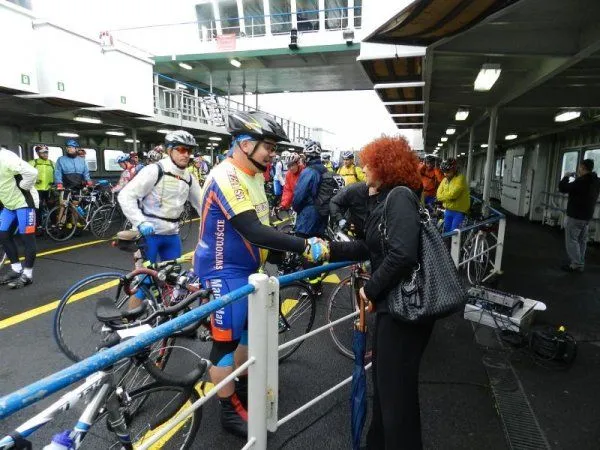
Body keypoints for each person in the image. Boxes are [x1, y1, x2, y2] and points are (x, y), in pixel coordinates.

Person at [194, 111, 327, 438]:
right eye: (268, 146)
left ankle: (239, 385)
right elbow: (252, 230)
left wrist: (278, 254)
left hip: (247, 269)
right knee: (224, 344)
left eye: (273, 147)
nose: (272, 153)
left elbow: (263, 226)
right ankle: (228, 411)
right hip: (222, 270)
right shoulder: (226, 175)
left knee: (248, 334)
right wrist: (303, 245)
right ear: (244, 144)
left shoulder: (253, 175)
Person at [322, 135, 433, 449]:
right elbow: (371, 248)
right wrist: (328, 249)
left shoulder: (398, 197)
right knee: (387, 390)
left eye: (369, 164)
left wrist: (368, 290)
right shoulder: (388, 198)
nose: (364, 168)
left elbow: (402, 255)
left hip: (405, 312)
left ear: (385, 167)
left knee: (396, 397)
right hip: (394, 308)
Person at [118, 130, 203, 267]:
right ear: (169, 150)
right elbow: (126, 195)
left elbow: (203, 205)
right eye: (181, 150)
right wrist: (140, 222)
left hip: (172, 235)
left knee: (173, 275)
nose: (186, 154)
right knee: (145, 276)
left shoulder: (189, 178)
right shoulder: (154, 170)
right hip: (148, 235)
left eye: (189, 150)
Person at [0, 146, 39, 289]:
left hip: (24, 203)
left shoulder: (6, 157)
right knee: (3, 235)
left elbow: (32, 172)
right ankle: (16, 269)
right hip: (8, 205)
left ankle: (28, 275)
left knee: (27, 238)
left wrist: (24, 185)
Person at [558, 158, 600, 272]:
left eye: (580, 168)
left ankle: (576, 264)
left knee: (572, 241)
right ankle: (580, 262)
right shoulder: (596, 181)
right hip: (587, 217)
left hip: (575, 216)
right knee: (581, 241)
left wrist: (566, 177)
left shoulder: (580, 182)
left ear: (582, 167)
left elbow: (562, 188)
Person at [292, 140, 328, 237]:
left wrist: (295, 208)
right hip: (322, 217)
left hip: (307, 219)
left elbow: (299, 196)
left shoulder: (308, 171)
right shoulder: (325, 170)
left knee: (303, 244)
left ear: (307, 156)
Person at [436, 158, 470, 233]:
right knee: (446, 232)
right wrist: (448, 197)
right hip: (448, 210)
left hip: (459, 211)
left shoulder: (460, 178)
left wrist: (444, 197)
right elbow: (438, 195)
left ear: (454, 170)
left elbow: (453, 195)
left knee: (454, 234)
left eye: (448, 171)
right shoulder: (444, 180)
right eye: (444, 171)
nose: (445, 174)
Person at [29, 145, 55, 228]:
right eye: (43, 153)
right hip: (37, 190)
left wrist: (55, 183)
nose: (45, 154)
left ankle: (54, 225)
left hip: (49, 189)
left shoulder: (52, 163)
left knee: (52, 208)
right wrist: (34, 180)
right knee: (38, 208)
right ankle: (38, 226)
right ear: (38, 153)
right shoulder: (32, 163)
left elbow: (57, 175)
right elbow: (25, 175)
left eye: (46, 152)